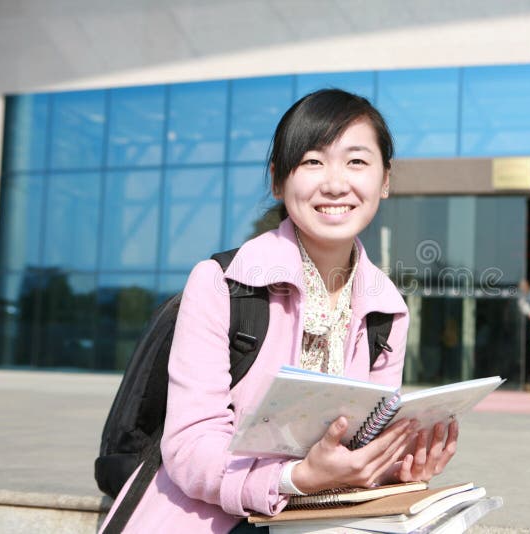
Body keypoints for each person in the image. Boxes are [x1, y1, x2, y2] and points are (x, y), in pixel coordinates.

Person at [99, 89, 458, 533]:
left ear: (385, 180)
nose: (334, 183)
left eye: (357, 162)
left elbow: (357, 443)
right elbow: (190, 446)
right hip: (207, 519)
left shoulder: (386, 309)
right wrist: (294, 478)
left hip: (316, 522)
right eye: (312, 161)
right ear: (277, 179)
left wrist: (393, 466)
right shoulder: (222, 285)